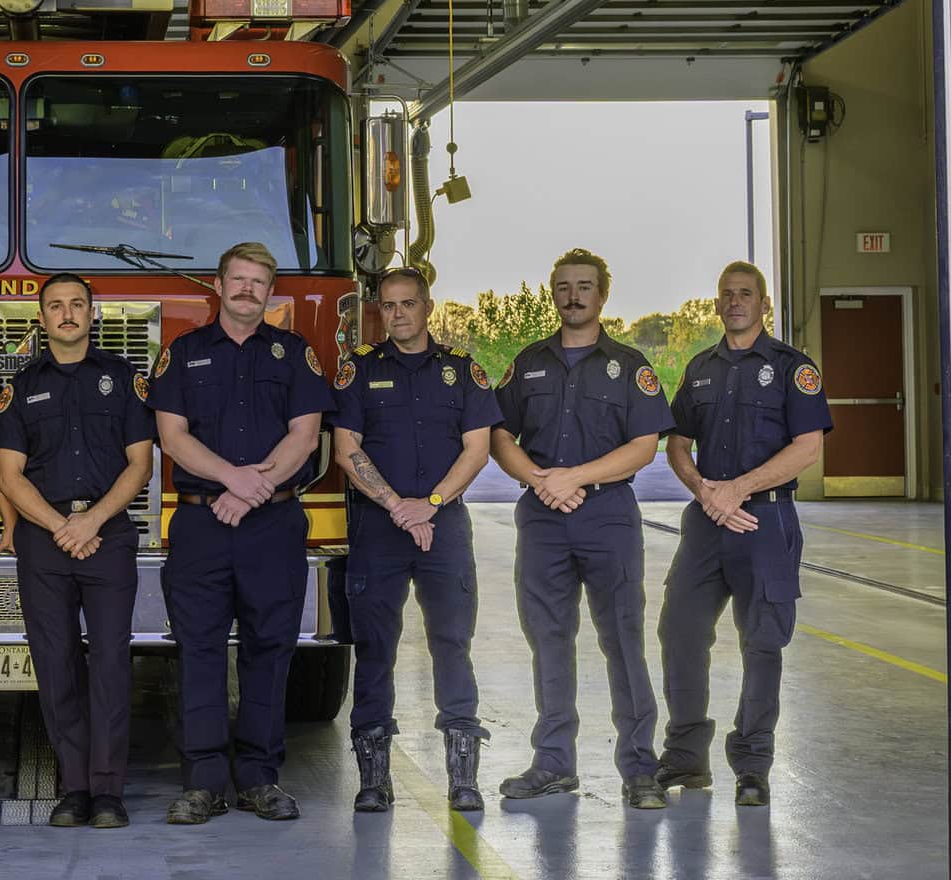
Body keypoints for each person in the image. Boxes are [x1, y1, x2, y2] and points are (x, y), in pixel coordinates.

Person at [149, 242, 335, 825]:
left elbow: (305, 436)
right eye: (239, 279)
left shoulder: (294, 354)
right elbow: (172, 438)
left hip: (274, 524)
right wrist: (232, 479)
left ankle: (259, 777)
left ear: (268, 291)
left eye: (259, 281)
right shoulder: (183, 353)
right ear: (218, 283)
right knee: (198, 650)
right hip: (203, 522)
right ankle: (204, 782)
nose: (248, 289)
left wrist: (253, 490)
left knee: (270, 650)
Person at [491, 248, 674, 810]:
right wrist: (540, 481)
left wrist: (573, 478)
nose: (574, 295)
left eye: (585, 286)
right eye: (565, 286)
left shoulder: (630, 366)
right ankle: (553, 763)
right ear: (554, 294)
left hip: (607, 517)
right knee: (548, 640)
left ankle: (641, 769)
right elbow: (498, 433)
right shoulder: (528, 363)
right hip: (544, 519)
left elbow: (645, 446)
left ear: (602, 295)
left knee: (622, 640)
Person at [656, 261, 831, 807]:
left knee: (762, 642)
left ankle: (752, 765)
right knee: (680, 630)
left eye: (746, 294)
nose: (735, 302)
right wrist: (706, 492)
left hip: (766, 520)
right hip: (707, 523)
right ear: (716, 305)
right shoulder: (700, 368)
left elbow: (808, 448)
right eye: (727, 295)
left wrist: (738, 489)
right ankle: (687, 757)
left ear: (763, 305)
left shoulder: (791, 368)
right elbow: (678, 444)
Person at [329, 267, 499, 813]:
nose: (397, 313)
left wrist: (426, 505)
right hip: (379, 529)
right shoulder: (358, 370)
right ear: (378, 310)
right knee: (375, 649)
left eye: (408, 303)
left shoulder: (462, 371)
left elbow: (477, 449)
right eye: (388, 305)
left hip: (443, 526)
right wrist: (397, 507)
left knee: (452, 644)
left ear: (428, 306)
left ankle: (463, 778)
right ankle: (374, 781)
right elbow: (346, 448)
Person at [0, 273, 154, 830]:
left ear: (92, 315)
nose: (66, 314)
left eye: (76, 305)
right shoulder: (18, 387)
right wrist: (63, 525)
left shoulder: (123, 378)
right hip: (46, 539)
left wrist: (93, 521)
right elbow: (9, 476)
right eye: (55, 306)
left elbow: (140, 463)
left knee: (110, 663)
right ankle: (75, 786)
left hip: (107, 536)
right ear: (41, 319)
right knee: (56, 664)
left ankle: (109, 792)